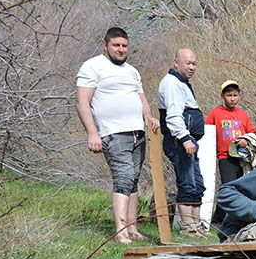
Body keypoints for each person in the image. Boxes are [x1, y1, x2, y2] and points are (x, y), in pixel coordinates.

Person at [75, 27, 160, 244]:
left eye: (124, 46)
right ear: (106, 45)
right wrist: (92, 133)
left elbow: (141, 99)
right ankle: (120, 230)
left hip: (137, 132)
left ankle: (132, 229)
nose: (121, 49)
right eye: (116, 45)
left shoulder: (132, 71)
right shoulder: (93, 66)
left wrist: (149, 118)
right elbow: (82, 101)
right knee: (123, 178)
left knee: (133, 180)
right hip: (113, 132)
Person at [157, 48, 206, 238]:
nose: (192, 67)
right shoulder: (172, 83)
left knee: (197, 183)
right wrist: (185, 138)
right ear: (176, 62)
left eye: (194, 63)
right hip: (179, 140)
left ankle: (196, 225)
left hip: (188, 140)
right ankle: (188, 227)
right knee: (187, 182)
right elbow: (173, 116)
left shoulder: (182, 83)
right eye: (188, 63)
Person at [204, 80, 256, 224]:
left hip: (241, 157)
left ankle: (237, 217)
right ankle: (218, 217)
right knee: (227, 185)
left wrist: (246, 140)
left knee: (240, 187)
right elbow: (207, 132)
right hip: (225, 156)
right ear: (222, 96)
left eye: (235, 95)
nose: (232, 98)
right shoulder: (215, 113)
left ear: (239, 96)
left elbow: (253, 133)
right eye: (229, 95)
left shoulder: (243, 115)